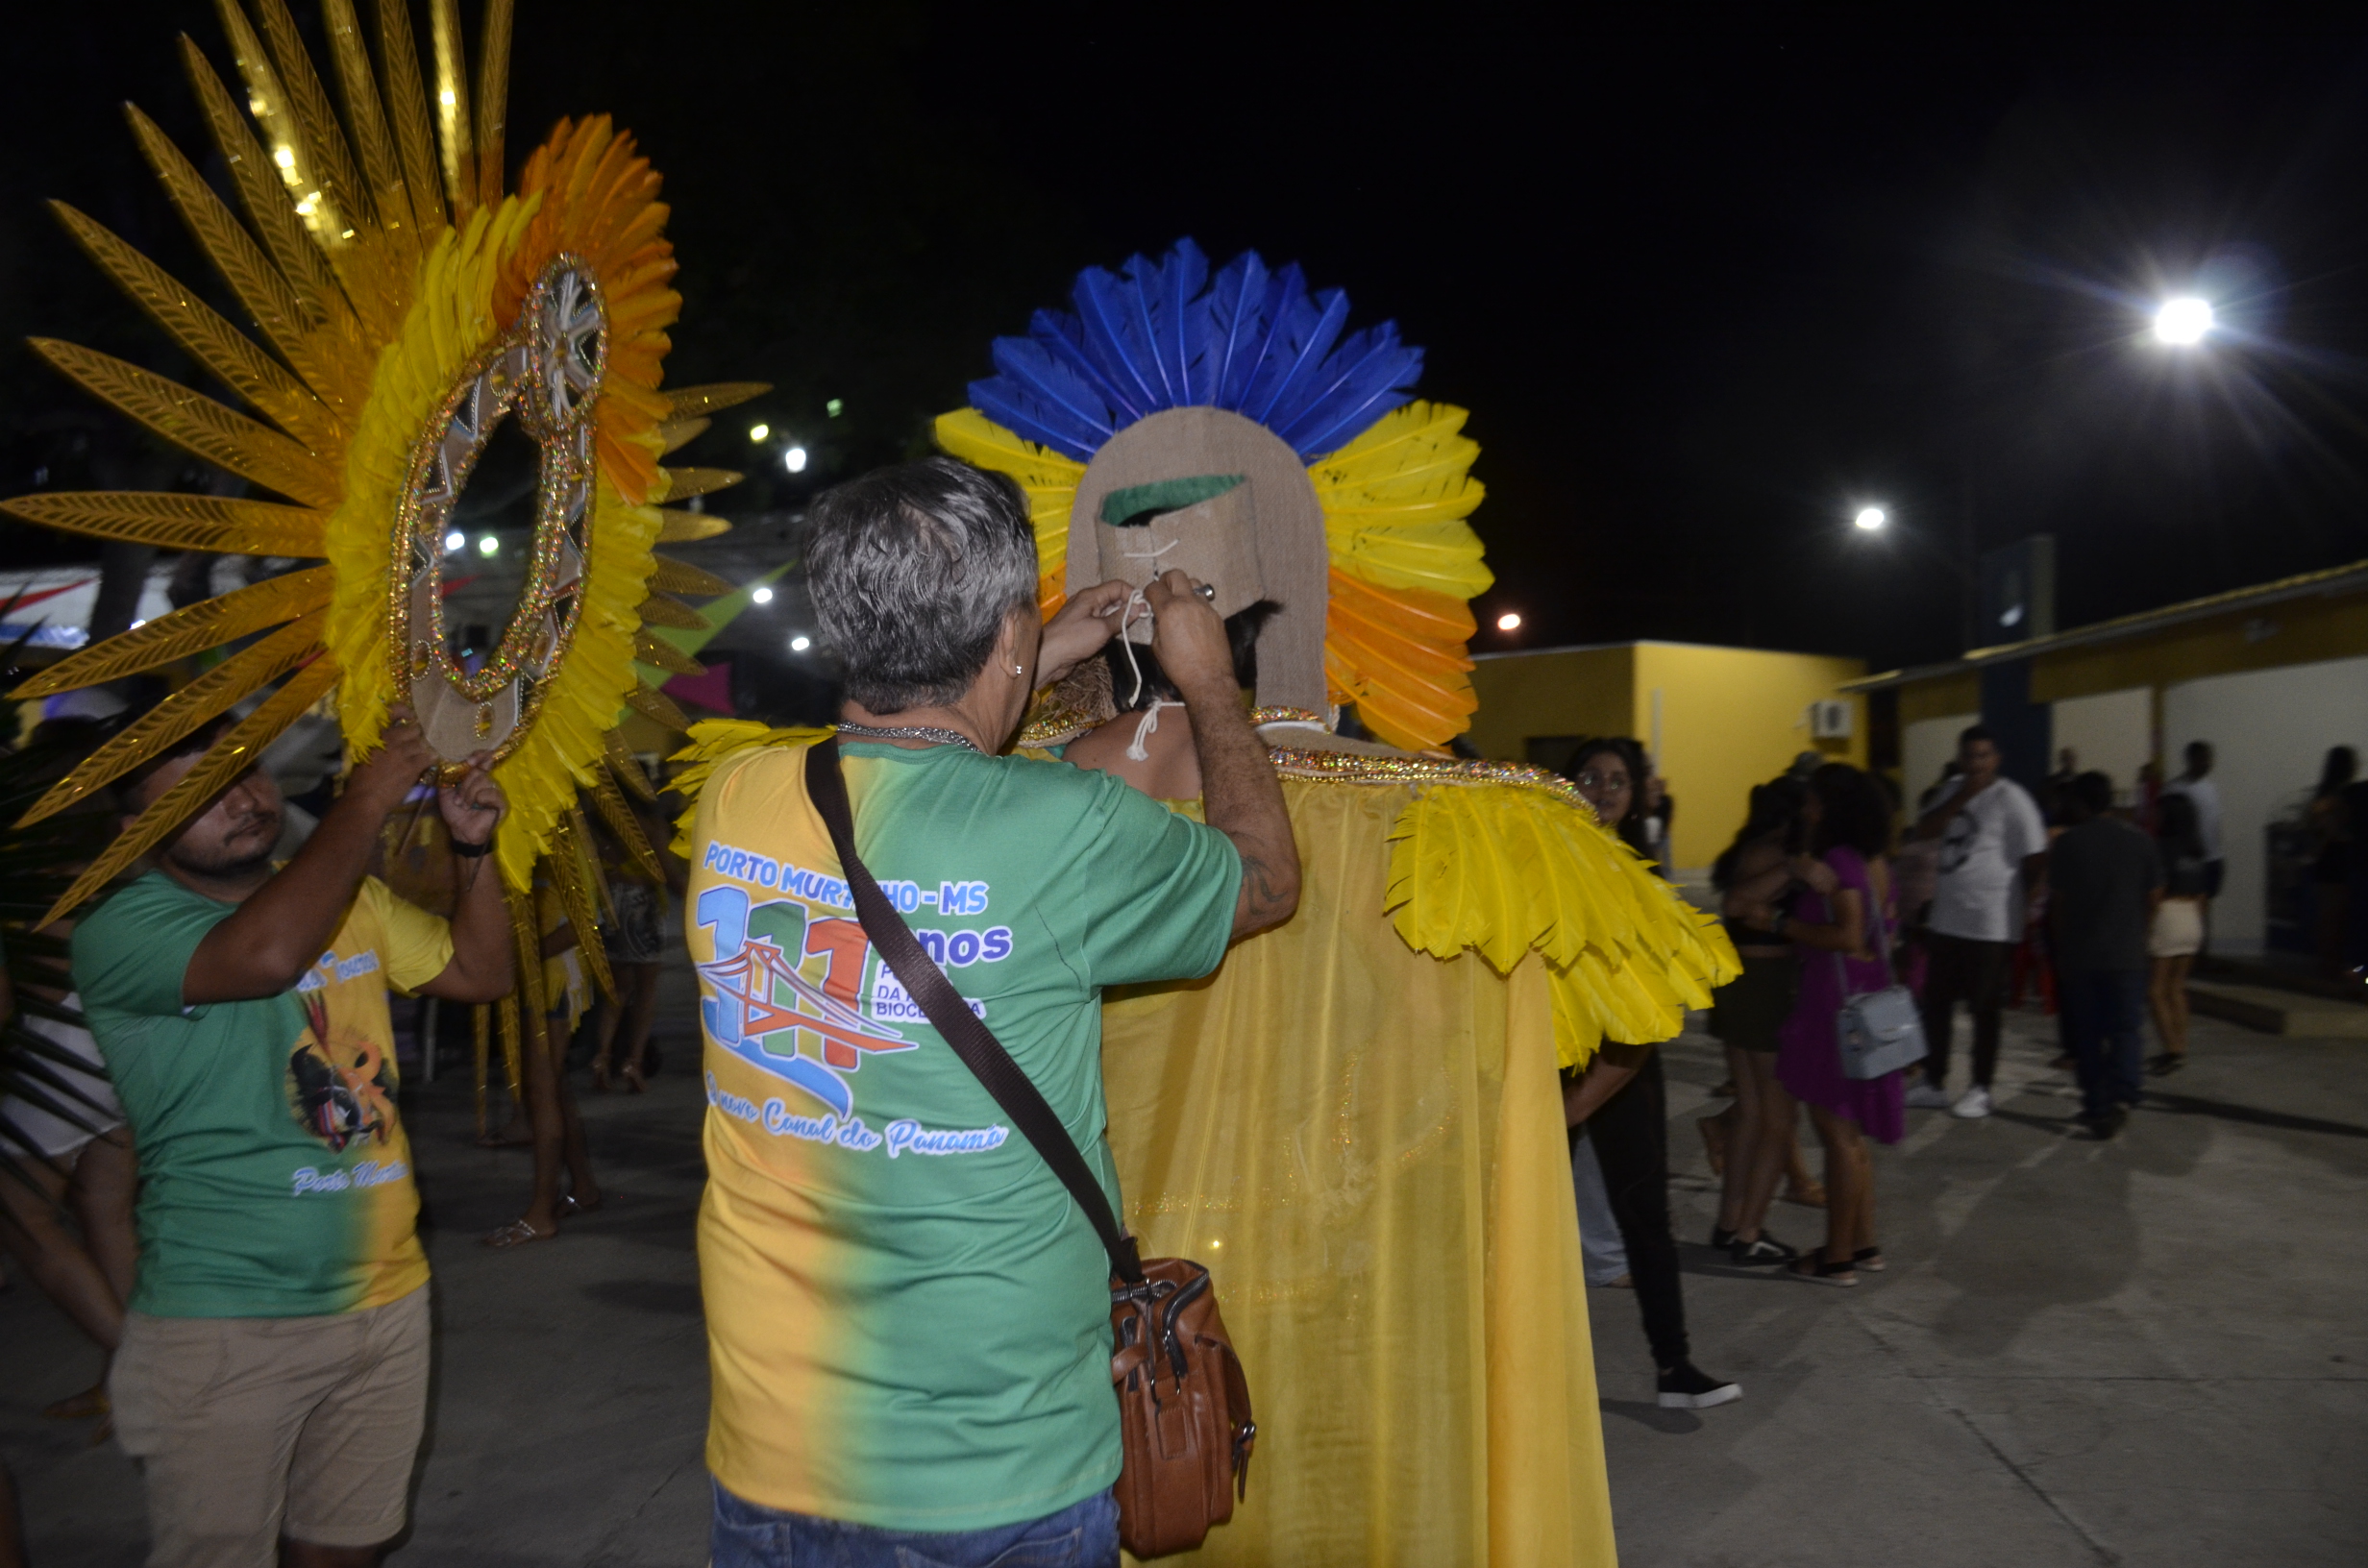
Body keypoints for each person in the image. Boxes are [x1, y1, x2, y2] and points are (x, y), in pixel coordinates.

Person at [686, 458, 1298, 1567]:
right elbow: (1263, 882)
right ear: (1005, 632)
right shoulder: (1070, 828)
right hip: (998, 1473)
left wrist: (1025, 658)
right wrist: (1208, 685)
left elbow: (919, 785)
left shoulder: (736, 803)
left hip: (770, 1454)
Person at [71, 708, 512, 1568]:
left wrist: (472, 852)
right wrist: (371, 797)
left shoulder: (346, 895)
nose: (243, 800)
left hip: (388, 1296)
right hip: (227, 1317)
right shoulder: (121, 929)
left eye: (247, 773)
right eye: (203, 793)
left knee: (349, 1546)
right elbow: (267, 956)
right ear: (136, 830)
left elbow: (480, 973)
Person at [1563, 736, 1742, 1408]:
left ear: (1636, 794)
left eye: (1618, 780)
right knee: (1529, 1223)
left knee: (1646, 1218)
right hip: (1559, 1056)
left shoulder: (1641, 871)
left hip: (1625, 1063)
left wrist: (1580, 1103)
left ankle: (1675, 1368)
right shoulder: (1540, 856)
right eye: (1589, 776)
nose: (1604, 789)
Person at [1734, 765, 1904, 1286]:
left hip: (1835, 1006)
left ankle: (1837, 1257)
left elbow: (1848, 936)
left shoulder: (1840, 861)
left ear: (1832, 808)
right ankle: (1863, 1244)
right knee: (1850, 1136)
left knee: (1837, 1134)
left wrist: (1783, 923)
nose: (1806, 811)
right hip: (1865, 1000)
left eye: (1812, 803)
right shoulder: (1874, 861)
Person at [1909, 724, 2048, 1119]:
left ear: (1997, 758)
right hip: (1947, 919)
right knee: (1936, 1004)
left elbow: (2036, 858)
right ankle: (1934, 1081)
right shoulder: (1952, 789)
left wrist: (2025, 906)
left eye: (1984, 756)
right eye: (1970, 756)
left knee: (1984, 1008)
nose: (1976, 764)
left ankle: (1980, 1087)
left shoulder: (2012, 799)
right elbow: (1925, 829)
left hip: (1990, 922)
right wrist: (1963, 797)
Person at [1703, 777, 1809, 1264]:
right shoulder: (1780, 855)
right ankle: (1749, 1232)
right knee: (1778, 1117)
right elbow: (1737, 904)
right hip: (1764, 982)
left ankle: (1730, 1224)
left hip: (1741, 980)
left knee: (1749, 1111)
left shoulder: (1749, 847)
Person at [2049, 772, 2163, 1138]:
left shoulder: (2068, 844)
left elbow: (2059, 906)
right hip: (2127, 953)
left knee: (2087, 1033)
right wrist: (2141, 933)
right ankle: (2124, 1097)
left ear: (2080, 802)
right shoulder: (2141, 841)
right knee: (2126, 1029)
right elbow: (2154, 897)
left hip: (2082, 955)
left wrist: (2061, 950)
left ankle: (2096, 1104)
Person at [2147, 791, 2211, 1077]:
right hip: (2192, 918)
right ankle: (2180, 1046)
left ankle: (2172, 1050)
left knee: (2156, 989)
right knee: (2177, 988)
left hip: (2169, 914)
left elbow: (2156, 891)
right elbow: (2203, 894)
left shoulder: (2161, 847)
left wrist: (2146, 924)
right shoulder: (2196, 849)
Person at [2161, 741, 2224, 945]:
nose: (2207, 763)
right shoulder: (2175, 788)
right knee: (2189, 909)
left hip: (2212, 856)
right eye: (2203, 758)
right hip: (2187, 859)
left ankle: (2202, 950)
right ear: (2191, 760)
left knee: (2206, 907)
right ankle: (2188, 950)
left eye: (2209, 758)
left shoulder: (2210, 788)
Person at [2308, 747, 2356, 981]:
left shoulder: (2322, 793)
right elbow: (2331, 828)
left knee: (2327, 915)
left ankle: (2327, 963)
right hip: (2335, 856)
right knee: (2334, 916)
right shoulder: (2338, 796)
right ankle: (2331, 966)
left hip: (2326, 858)